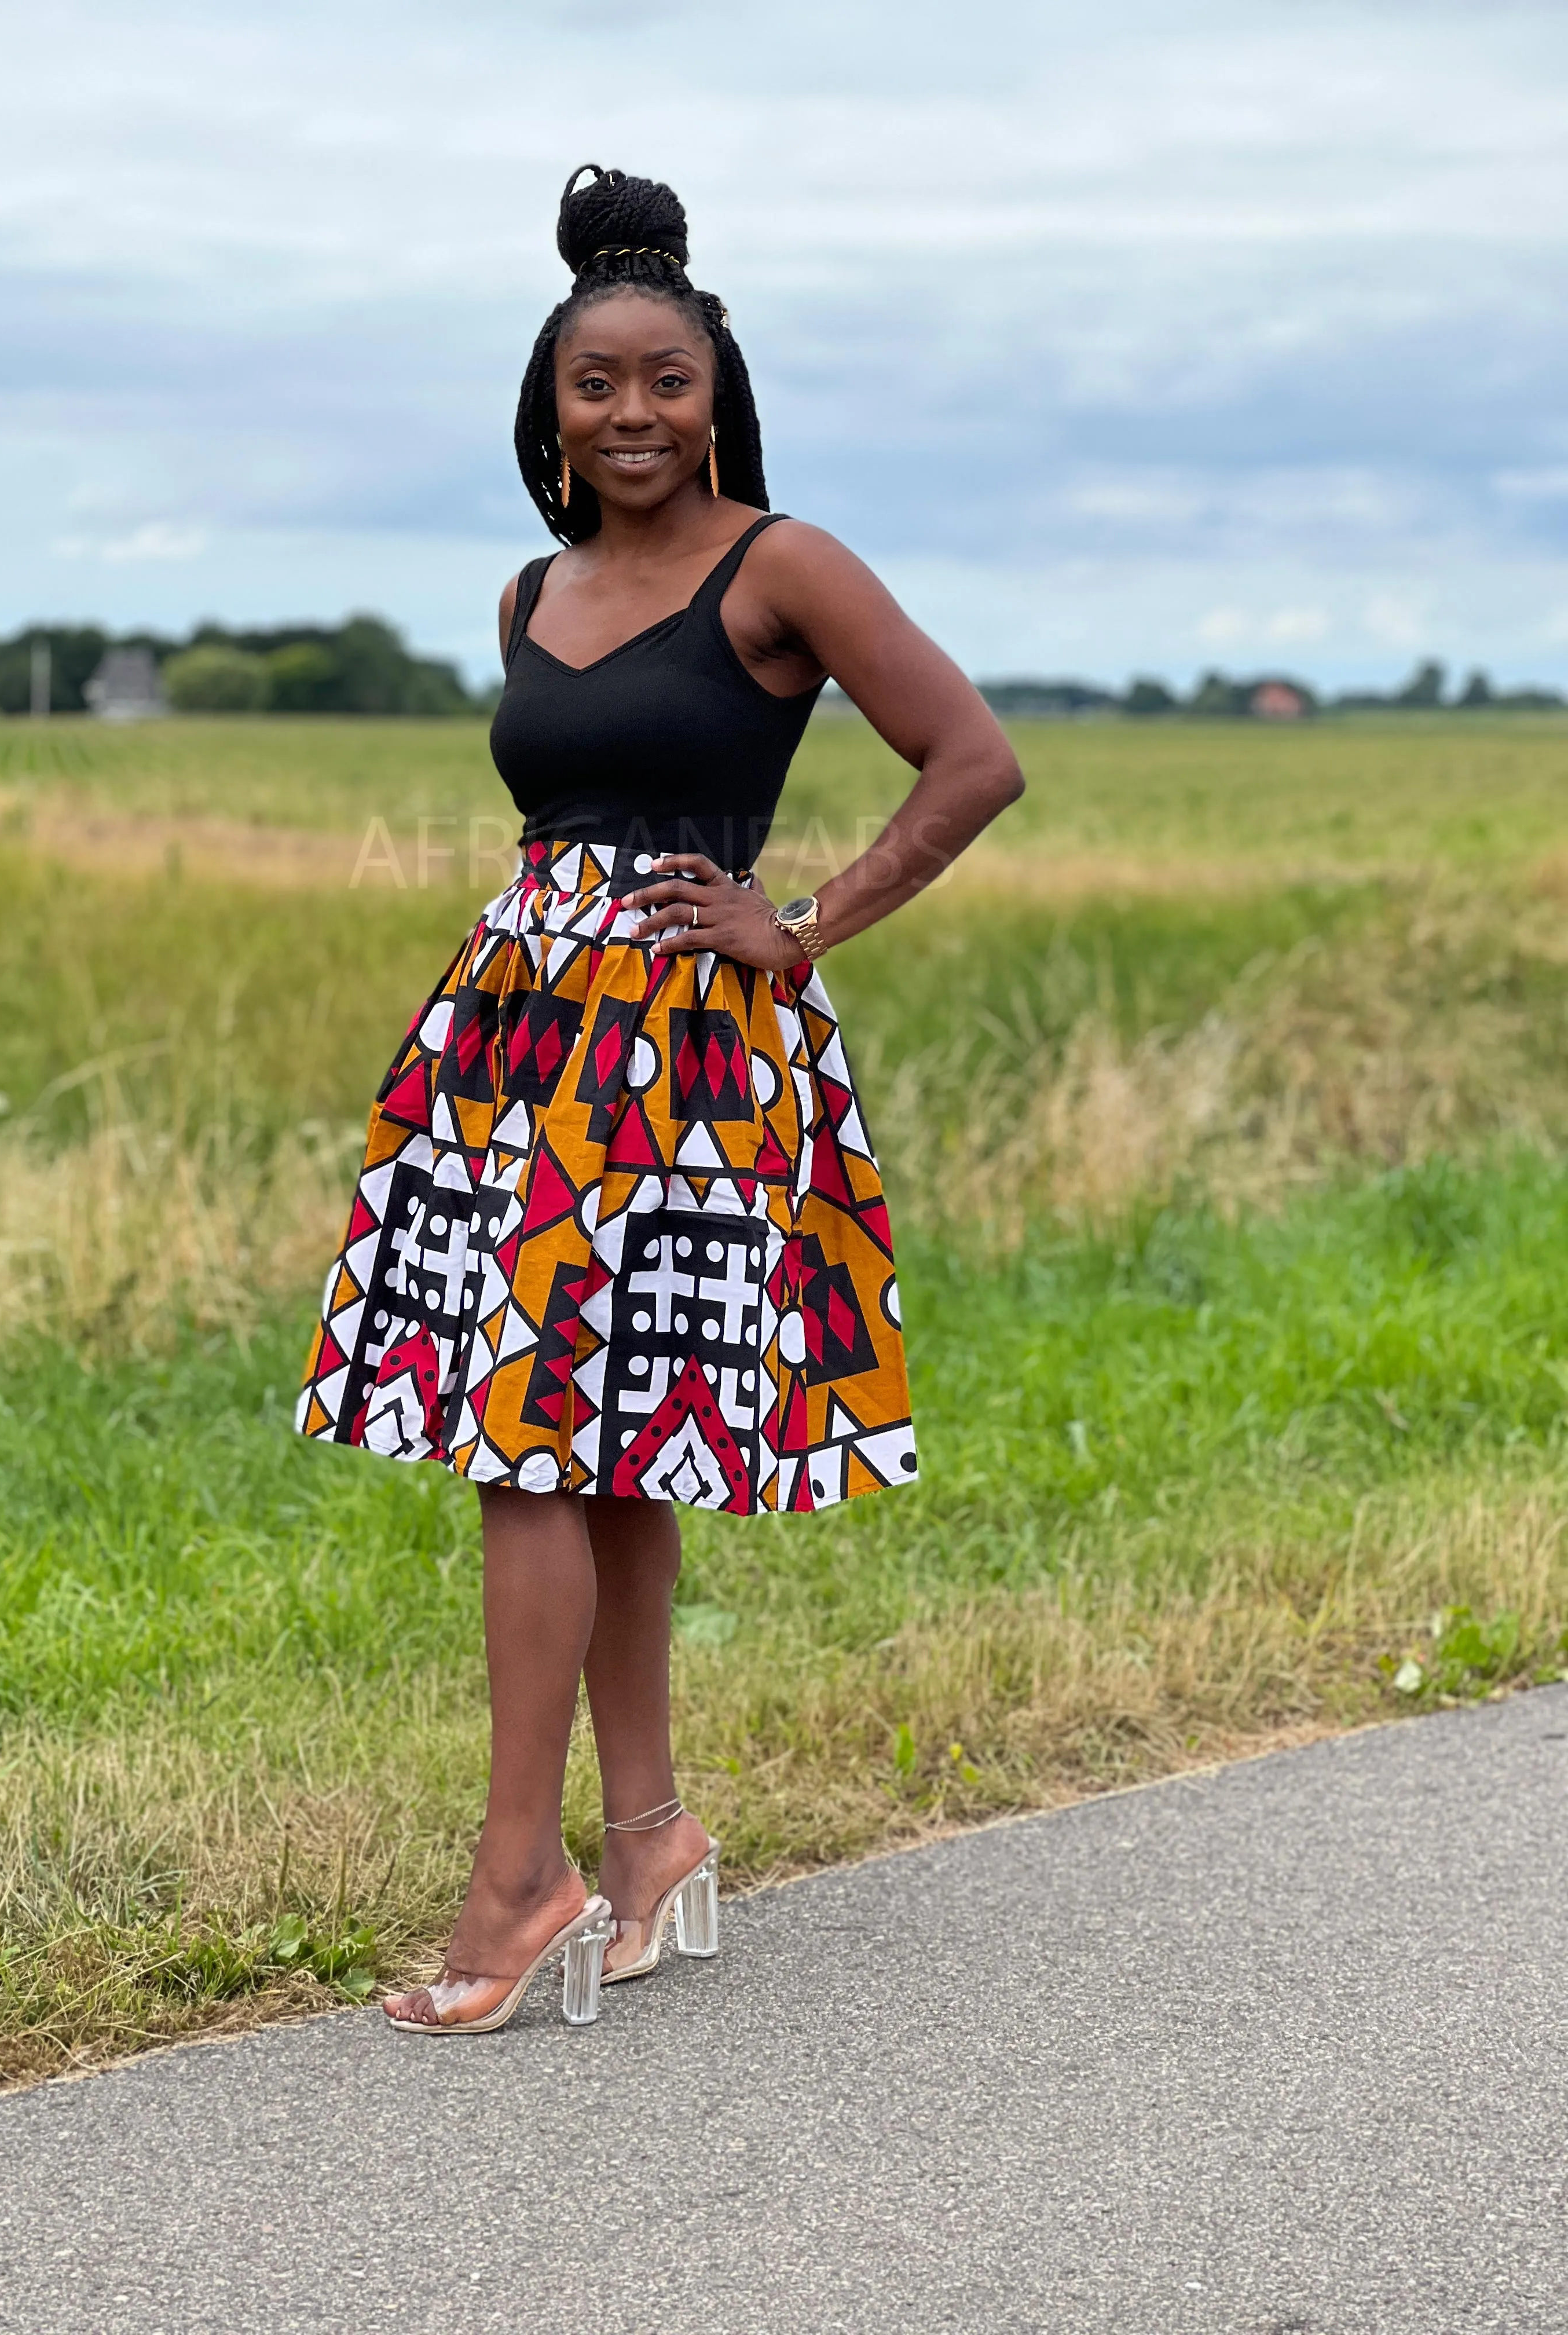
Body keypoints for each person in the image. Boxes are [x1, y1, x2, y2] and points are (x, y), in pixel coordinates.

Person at [296, 163, 1024, 2033]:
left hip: (691, 1054)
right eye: (597, 385)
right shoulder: (532, 586)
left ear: (721, 394)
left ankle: (511, 1877)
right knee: (582, 1443)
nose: (634, 415)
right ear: (549, 406)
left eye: (667, 383)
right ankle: (646, 1834)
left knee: (530, 1443)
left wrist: (803, 927)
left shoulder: (783, 562)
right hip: (523, 1044)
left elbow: (973, 757)